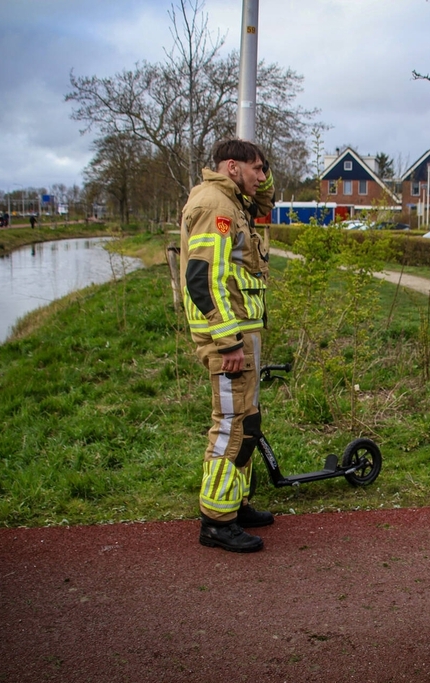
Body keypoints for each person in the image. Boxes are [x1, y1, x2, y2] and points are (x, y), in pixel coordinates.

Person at [179, 139, 276, 553]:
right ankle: (216, 521)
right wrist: (228, 341)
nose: (261, 177)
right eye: (256, 168)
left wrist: (262, 170)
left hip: (243, 334)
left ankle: (235, 502)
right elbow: (204, 279)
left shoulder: (235, 202)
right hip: (229, 339)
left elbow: (268, 198)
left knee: (247, 422)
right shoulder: (215, 206)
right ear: (233, 167)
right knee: (229, 425)